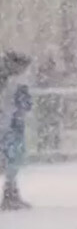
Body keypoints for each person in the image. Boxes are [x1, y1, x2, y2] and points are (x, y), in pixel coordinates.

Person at [0, 51, 34, 211]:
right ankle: (10, 194)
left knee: (10, 159)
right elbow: (24, 104)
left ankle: (11, 192)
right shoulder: (15, 82)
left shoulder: (11, 80)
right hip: (9, 126)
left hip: (9, 125)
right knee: (11, 159)